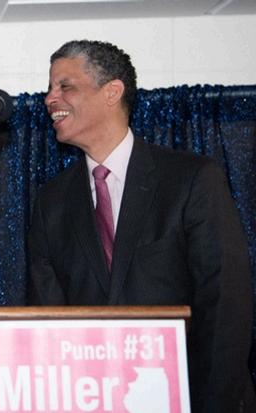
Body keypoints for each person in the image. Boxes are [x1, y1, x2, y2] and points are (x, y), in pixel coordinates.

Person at [27, 39, 255, 412]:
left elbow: (225, 304)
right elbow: (48, 323)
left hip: (193, 397)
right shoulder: (51, 202)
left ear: (112, 92)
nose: (50, 99)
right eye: (50, 88)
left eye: (65, 86)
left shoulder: (191, 179)